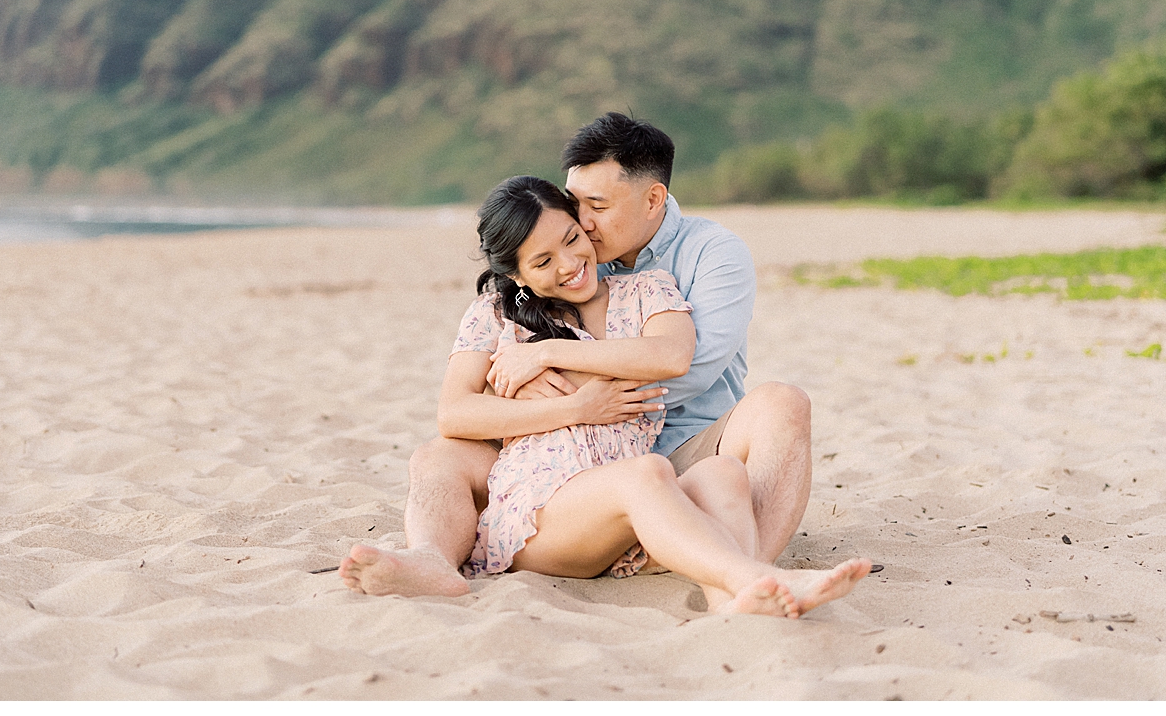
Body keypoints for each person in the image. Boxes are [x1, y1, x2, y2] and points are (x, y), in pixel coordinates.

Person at [342, 175, 868, 616]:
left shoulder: (646, 288)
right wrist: (576, 407)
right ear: (516, 275)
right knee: (641, 474)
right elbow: (453, 412)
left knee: (721, 473)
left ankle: (729, 598)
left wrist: (547, 357)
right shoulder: (496, 314)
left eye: (572, 238)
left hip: (623, 501)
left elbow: (669, 354)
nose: (570, 263)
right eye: (543, 261)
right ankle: (751, 577)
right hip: (543, 510)